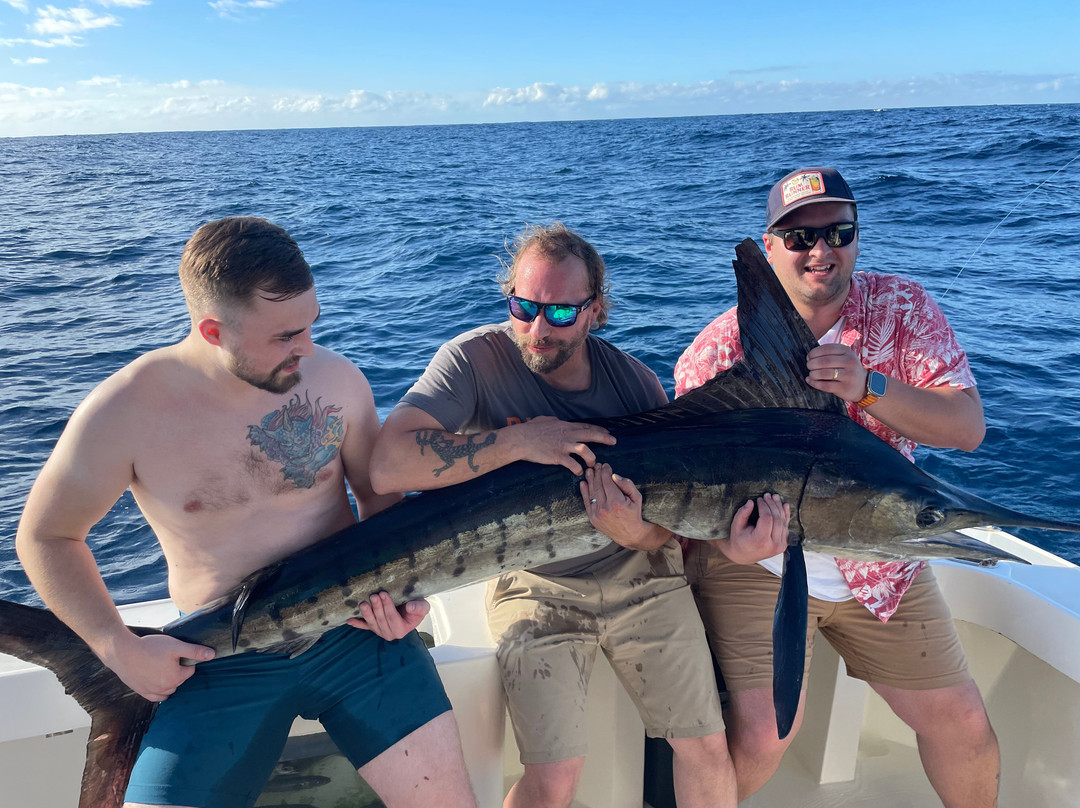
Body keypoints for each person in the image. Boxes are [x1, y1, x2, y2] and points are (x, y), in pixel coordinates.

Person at [15, 217, 476, 808]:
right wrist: (114, 646)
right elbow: (47, 535)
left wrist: (408, 597)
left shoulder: (335, 381)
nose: (306, 348)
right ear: (213, 330)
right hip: (218, 656)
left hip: (359, 638)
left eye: (310, 325)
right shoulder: (126, 411)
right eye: (284, 336)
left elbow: (380, 497)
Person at [369, 221, 791, 808]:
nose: (537, 329)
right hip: (535, 585)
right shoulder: (472, 360)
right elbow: (388, 466)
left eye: (561, 314)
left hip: (643, 579)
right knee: (557, 773)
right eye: (523, 307)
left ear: (595, 310)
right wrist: (519, 442)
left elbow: (672, 522)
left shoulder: (637, 388)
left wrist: (637, 532)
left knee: (706, 750)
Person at [675, 167, 997, 806]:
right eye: (797, 238)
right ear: (769, 248)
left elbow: (967, 428)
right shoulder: (718, 349)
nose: (820, 250)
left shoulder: (903, 310)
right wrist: (727, 548)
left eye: (837, 232)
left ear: (856, 237)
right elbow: (683, 494)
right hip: (757, 564)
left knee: (964, 725)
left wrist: (869, 387)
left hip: (883, 557)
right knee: (765, 736)